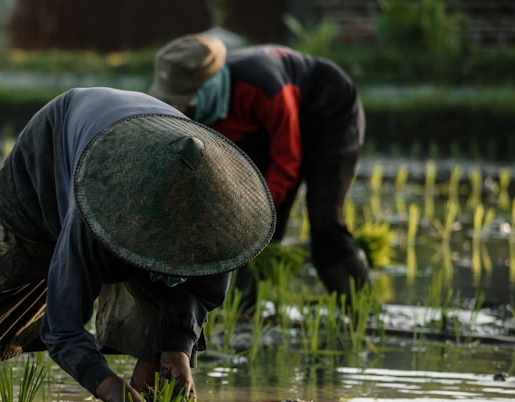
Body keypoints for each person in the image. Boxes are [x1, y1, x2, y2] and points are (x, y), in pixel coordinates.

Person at [0, 87, 275, 402]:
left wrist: (177, 349)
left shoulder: (221, 227)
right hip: (50, 159)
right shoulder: (98, 206)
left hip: (152, 157)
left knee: (160, 335)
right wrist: (112, 391)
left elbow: (196, 295)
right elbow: (61, 325)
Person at [148, 34, 371, 301]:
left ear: (206, 86)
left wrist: (252, 212)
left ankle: (361, 312)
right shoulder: (203, 112)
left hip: (328, 111)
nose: (179, 108)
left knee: (325, 222)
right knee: (255, 235)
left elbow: (287, 162)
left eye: (183, 100)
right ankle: (246, 312)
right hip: (264, 126)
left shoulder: (262, 84)